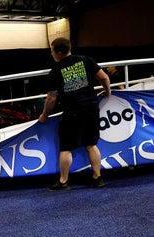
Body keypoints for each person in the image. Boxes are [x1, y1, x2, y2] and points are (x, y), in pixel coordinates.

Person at [38, 37, 111, 190]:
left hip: (72, 111)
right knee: (91, 144)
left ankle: (63, 181)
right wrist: (107, 91)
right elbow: (104, 77)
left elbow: (52, 98)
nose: (51, 54)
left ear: (58, 52)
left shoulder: (55, 72)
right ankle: (97, 178)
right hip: (91, 107)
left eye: (52, 51)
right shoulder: (86, 60)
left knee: (66, 148)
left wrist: (44, 115)